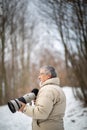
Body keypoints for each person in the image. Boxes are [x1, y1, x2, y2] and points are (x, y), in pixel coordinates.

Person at [19, 65, 66, 130]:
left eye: (41, 74)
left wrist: (24, 108)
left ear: (48, 75)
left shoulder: (47, 90)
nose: (39, 77)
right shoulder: (57, 88)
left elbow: (42, 113)